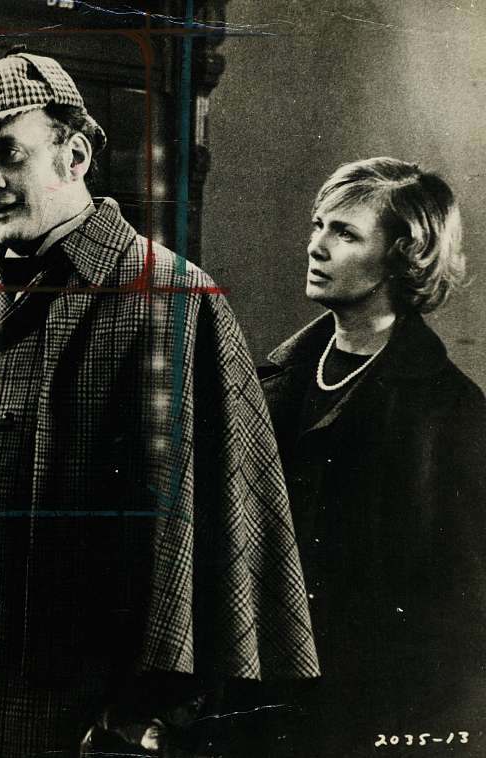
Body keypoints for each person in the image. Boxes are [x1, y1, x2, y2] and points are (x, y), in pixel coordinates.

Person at [0, 49, 319, 757]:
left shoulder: (171, 297)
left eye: (8, 153)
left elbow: (205, 531)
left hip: (85, 708)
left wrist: (145, 709)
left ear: (74, 155)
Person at [256, 157, 486, 756]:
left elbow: (460, 610)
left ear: (402, 258)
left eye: (345, 233)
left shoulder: (450, 411)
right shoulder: (267, 381)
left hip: (369, 710)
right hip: (259, 696)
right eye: (318, 225)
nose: (316, 246)